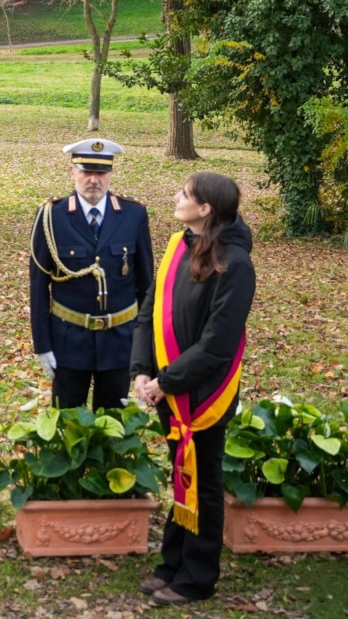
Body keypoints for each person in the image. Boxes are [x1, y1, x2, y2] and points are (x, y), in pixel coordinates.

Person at [130, 172, 255, 606]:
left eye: (185, 195)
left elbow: (218, 343)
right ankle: (173, 565)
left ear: (206, 209)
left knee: (203, 480)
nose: (176, 198)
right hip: (165, 387)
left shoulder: (236, 263)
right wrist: (142, 371)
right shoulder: (178, 246)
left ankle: (196, 577)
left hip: (203, 393)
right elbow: (150, 311)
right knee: (182, 474)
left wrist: (168, 381)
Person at [29, 138, 153, 410]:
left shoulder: (133, 214)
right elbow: (38, 287)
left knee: (113, 426)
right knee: (68, 428)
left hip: (120, 340)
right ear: (72, 171)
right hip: (68, 339)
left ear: (110, 174)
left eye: (101, 173)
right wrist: (43, 345)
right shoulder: (51, 216)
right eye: (86, 172)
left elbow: (146, 287)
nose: (94, 180)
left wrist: (146, 345)